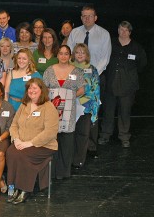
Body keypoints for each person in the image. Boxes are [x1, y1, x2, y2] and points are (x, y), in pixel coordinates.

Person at [6, 78, 59, 205]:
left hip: (44, 145)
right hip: (22, 142)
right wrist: (17, 139)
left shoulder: (48, 107)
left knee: (24, 155)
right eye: (30, 88)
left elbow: (50, 132)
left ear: (42, 90)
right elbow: (13, 125)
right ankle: (14, 187)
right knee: (11, 152)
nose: (32, 90)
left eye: (35, 88)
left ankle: (24, 189)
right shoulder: (24, 105)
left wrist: (30, 143)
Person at [99, 21, 147, 148]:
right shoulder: (110, 44)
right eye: (121, 29)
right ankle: (105, 135)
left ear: (130, 32)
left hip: (128, 86)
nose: (123, 32)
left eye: (126, 30)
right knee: (108, 112)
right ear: (118, 30)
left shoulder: (137, 47)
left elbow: (142, 64)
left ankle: (124, 136)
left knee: (125, 112)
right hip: (110, 83)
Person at [43, 45, 85, 180]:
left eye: (66, 54)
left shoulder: (77, 71)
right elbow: (44, 88)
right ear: (57, 55)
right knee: (52, 139)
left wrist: (70, 97)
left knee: (66, 141)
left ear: (70, 55)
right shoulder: (50, 70)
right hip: (52, 110)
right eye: (61, 53)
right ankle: (52, 170)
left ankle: (64, 172)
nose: (63, 56)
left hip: (68, 111)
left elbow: (82, 90)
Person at [71, 43, 100, 168]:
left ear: (87, 55)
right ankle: (69, 159)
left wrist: (93, 108)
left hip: (87, 106)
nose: (80, 55)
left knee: (83, 134)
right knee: (70, 134)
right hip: (70, 104)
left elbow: (95, 89)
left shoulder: (92, 69)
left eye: (83, 52)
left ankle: (79, 161)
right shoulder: (69, 67)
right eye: (77, 52)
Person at [67, 5, 111, 75]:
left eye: (90, 16)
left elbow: (105, 59)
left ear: (95, 18)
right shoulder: (74, 32)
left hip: (96, 75)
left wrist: (93, 74)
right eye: (84, 16)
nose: (87, 18)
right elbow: (69, 54)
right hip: (75, 75)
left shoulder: (104, 34)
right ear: (81, 18)